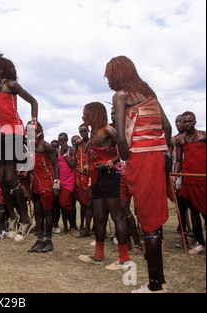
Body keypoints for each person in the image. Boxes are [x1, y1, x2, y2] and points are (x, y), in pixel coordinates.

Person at [105, 55, 172, 292]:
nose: (108, 81)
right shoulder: (149, 93)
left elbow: (121, 136)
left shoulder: (121, 95)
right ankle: (159, 280)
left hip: (141, 158)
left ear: (118, 74)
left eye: (110, 76)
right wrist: (163, 152)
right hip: (158, 156)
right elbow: (167, 127)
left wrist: (125, 157)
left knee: (148, 221)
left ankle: (155, 286)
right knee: (152, 217)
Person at [0, 53, 37, 241]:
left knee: (11, 177)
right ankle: (12, 217)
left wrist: (33, 123)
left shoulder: (10, 85)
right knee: (1, 180)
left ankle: (25, 219)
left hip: (14, 131)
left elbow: (33, 101)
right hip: (0, 134)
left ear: (1, 69)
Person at [78, 102, 131, 271]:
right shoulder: (94, 133)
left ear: (94, 114)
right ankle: (98, 256)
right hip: (96, 179)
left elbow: (125, 145)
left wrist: (110, 163)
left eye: (85, 113)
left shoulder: (108, 130)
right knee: (99, 216)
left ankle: (124, 258)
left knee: (117, 216)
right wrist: (87, 166)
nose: (83, 116)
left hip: (110, 177)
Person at [110, 106, 142, 254]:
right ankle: (129, 242)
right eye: (112, 114)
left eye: (115, 113)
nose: (113, 116)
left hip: (135, 173)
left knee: (140, 210)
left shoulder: (132, 128)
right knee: (122, 208)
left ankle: (139, 243)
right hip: (120, 176)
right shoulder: (112, 132)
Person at [174, 111, 206, 254]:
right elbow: (179, 161)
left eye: (190, 121)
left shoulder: (203, 136)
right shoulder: (180, 140)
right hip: (188, 178)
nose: (187, 124)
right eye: (184, 122)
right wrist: (176, 177)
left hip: (203, 178)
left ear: (195, 121)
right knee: (193, 212)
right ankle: (200, 243)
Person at [28, 122, 60, 253]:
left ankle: (49, 241)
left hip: (47, 182)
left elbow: (56, 165)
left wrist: (56, 185)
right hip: (36, 183)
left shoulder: (45, 145)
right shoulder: (30, 145)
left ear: (39, 132)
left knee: (47, 212)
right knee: (38, 212)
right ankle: (39, 240)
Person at [57, 132, 77, 234]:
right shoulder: (57, 151)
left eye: (63, 141)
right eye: (59, 141)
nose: (61, 143)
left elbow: (73, 165)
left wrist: (65, 154)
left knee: (66, 204)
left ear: (67, 140)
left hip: (69, 181)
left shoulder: (72, 150)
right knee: (62, 205)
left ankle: (72, 226)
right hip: (60, 181)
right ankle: (65, 228)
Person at [75, 124, 92, 238]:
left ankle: (91, 228)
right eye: (81, 131)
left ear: (88, 131)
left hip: (91, 174)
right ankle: (82, 226)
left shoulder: (93, 142)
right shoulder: (79, 144)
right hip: (81, 176)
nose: (83, 133)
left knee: (92, 202)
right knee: (83, 203)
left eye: (85, 131)